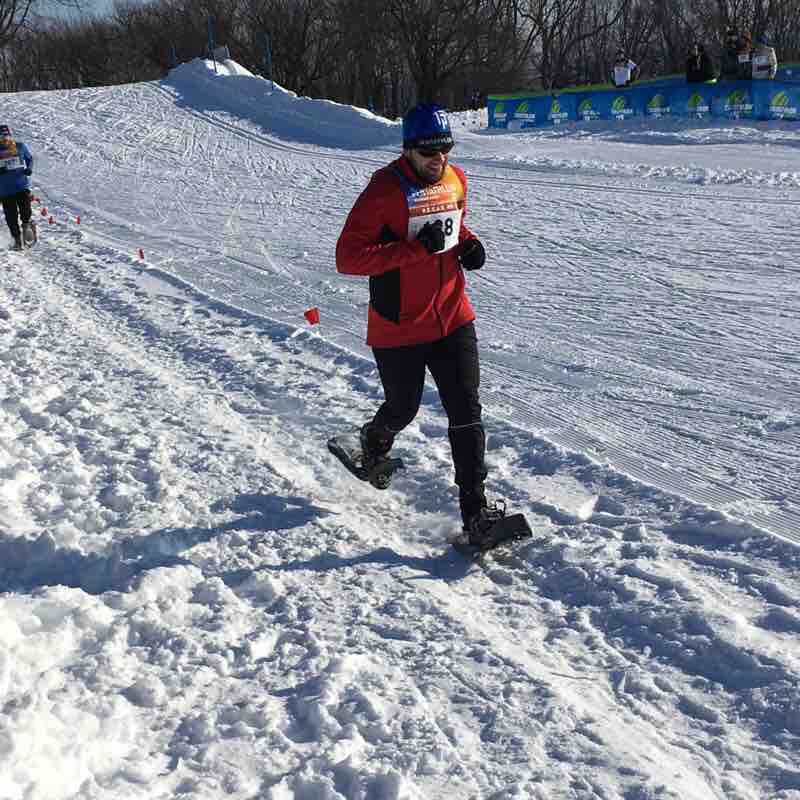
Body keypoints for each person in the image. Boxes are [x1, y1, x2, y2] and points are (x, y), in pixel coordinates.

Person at [335, 102, 503, 544]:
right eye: (428, 150)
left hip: (452, 315)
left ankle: (476, 514)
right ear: (407, 149)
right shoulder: (383, 191)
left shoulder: (455, 180)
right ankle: (373, 442)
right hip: (400, 326)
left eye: (444, 148)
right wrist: (414, 251)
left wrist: (470, 244)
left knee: (466, 409)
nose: (438, 158)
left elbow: (454, 228)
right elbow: (348, 257)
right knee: (403, 407)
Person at [0, 124, 34, 251]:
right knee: (11, 216)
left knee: (26, 209)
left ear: (10, 135)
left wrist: (29, 169)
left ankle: (27, 226)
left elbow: (30, 159)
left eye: (6, 136)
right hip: (4, 190)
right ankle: (17, 240)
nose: (4, 139)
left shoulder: (20, 146)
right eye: (1, 137)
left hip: (21, 185)